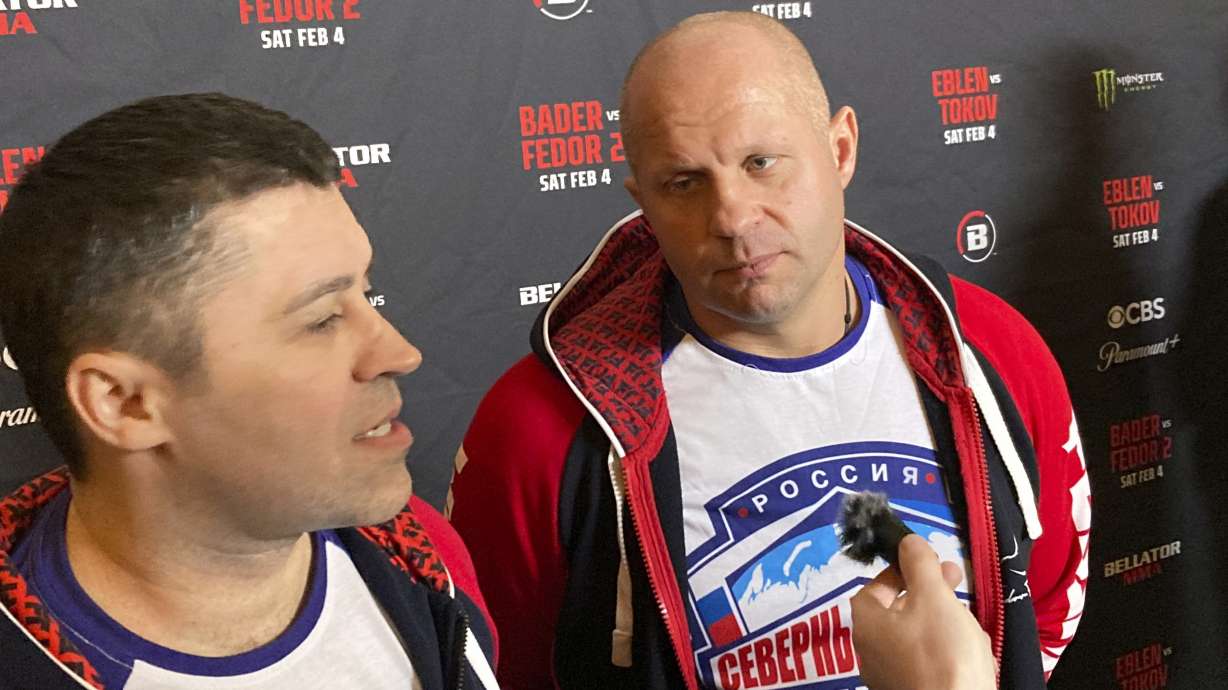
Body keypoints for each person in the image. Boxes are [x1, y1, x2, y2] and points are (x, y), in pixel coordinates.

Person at [448, 10, 1090, 690]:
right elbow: (506, 666)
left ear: (840, 149)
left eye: (761, 163)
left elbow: (1044, 606)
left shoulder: (987, 351)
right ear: (643, 201)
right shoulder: (540, 427)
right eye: (684, 183)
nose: (731, 216)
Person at [0, 94, 498, 689]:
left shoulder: (420, 554)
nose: (400, 353)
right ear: (122, 402)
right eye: (321, 320)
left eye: (365, 293)